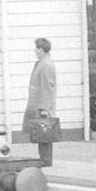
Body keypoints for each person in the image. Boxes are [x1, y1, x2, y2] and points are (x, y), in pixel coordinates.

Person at [23, 37, 57, 165]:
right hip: (38, 105)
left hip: (42, 107)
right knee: (41, 133)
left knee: (44, 134)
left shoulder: (46, 65)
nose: (35, 51)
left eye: (37, 48)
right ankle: (43, 158)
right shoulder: (42, 63)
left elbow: (47, 87)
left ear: (42, 49)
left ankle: (46, 160)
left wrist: (44, 108)